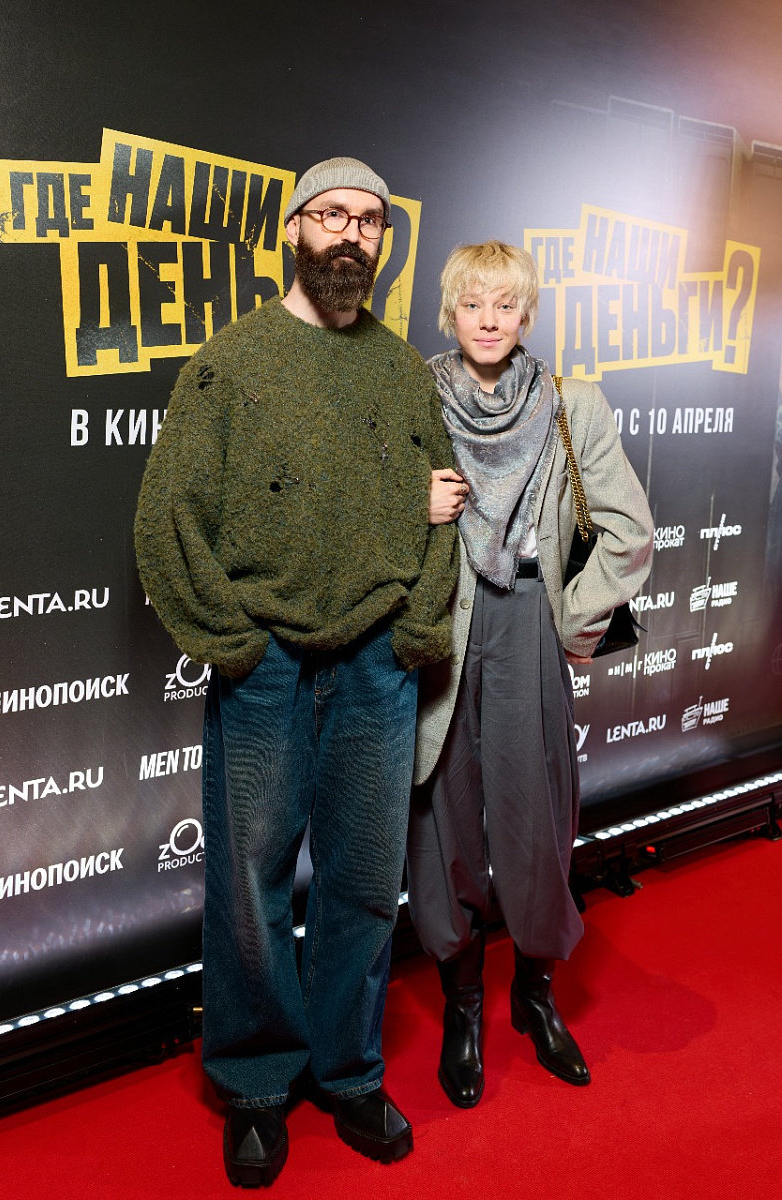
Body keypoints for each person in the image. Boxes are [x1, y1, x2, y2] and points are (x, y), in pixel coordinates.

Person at [134, 157, 457, 1186]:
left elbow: (441, 503)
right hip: (266, 663)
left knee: (363, 882)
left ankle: (349, 1070)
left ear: (383, 241)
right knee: (249, 885)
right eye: (332, 215)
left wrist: (417, 625)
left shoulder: (402, 371)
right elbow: (167, 517)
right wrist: (231, 644)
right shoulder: (229, 363)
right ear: (293, 229)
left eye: (370, 220)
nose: (351, 234)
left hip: (375, 664)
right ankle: (256, 1083)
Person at [407, 240, 653, 1108]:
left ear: (527, 313)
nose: (488, 320)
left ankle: (536, 992)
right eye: (473, 303)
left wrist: (570, 620)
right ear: (450, 310)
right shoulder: (412, 396)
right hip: (439, 622)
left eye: (505, 304)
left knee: (538, 814)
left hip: (527, 620)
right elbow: (360, 514)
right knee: (442, 815)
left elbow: (629, 530)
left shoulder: (570, 402)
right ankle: (463, 1002)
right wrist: (413, 506)